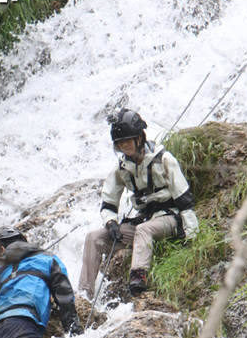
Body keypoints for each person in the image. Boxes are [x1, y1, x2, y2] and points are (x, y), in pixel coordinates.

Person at [78, 108, 198, 298]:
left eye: (128, 139)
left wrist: (192, 238)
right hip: (145, 223)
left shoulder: (165, 159)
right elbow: (108, 204)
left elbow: (185, 201)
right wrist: (111, 223)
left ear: (140, 138)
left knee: (144, 229)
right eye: (120, 141)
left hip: (171, 221)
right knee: (94, 237)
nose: (124, 145)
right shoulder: (121, 169)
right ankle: (85, 294)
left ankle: (138, 277)